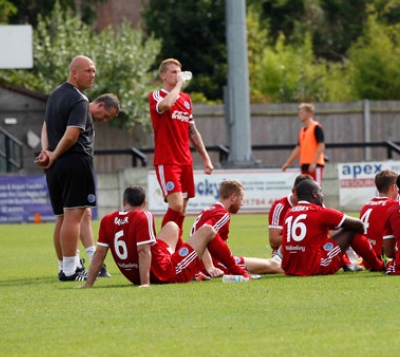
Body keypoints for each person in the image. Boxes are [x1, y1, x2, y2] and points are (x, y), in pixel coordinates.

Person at [36, 56, 120, 281]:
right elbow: (72, 135)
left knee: (62, 218)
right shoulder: (79, 99)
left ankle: (64, 266)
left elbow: (45, 126)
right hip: (75, 162)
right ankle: (71, 271)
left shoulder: (54, 95)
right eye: (89, 71)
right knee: (74, 217)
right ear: (74, 72)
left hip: (55, 166)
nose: (93, 75)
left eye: (94, 71)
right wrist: (53, 152)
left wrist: (47, 152)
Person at [83, 186, 228, 287]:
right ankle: (208, 269)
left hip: (136, 275)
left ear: (124, 202)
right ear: (144, 203)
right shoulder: (143, 216)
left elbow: (99, 253)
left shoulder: (107, 219)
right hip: (165, 274)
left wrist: (88, 284)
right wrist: (145, 283)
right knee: (207, 230)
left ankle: (176, 257)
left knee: (172, 226)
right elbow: (144, 251)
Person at [149, 58, 213, 248]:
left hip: (185, 160)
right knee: (175, 205)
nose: (178, 75)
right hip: (167, 160)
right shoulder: (157, 95)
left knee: (183, 210)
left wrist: (206, 158)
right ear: (163, 75)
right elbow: (166, 105)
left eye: (179, 72)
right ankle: (160, 247)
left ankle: (176, 248)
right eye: (173, 72)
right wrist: (178, 86)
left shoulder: (186, 100)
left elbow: (192, 131)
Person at [280, 179, 383, 276]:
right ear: (314, 194)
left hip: (289, 268)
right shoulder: (319, 212)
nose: (322, 195)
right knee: (351, 230)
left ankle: (349, 262)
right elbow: (359, 225)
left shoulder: (290, 212)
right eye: (320, 192)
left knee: (328, 238)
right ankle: (378, 265)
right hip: (312, 267)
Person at [191, 179, 283, 277]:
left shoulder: (209, 210)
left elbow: (219, 245)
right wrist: (210, 267)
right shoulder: (221, 214)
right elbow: (202, 236)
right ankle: (297, 268)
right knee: (272, 265)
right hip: (215, 265)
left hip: (201, 264)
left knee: (269, 264)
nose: (242, 203)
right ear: (234, 197)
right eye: (241, 198)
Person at [267, 174, 313, 259]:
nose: (304, 198)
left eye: (308, 195)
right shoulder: (280, 206)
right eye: (301, 195)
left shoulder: (316, 204)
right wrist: (303, 236)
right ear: (293, 191)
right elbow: (273, 241)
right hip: (286, 254)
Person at [359, 170, 398, 268]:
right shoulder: (393, 206)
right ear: (394, 187)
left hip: (367, 259)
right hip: (382, 258)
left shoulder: (366, 205)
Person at [281, 103, 326, 184]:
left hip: (315, 165)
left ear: (309, 114)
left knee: (316, 190)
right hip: (305, 165)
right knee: (306, 191)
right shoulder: (302, 130)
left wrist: (314, 163)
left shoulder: (316, 127)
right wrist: (288, 162)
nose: (299, 115)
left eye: (302, 112)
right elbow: (299, 148)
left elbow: (321, 146)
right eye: (299, 112)